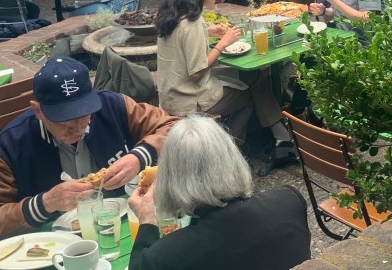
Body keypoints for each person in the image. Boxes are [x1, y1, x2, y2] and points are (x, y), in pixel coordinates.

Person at [0, 57, 177, 246]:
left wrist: (139, 156)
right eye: (63, 121)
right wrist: (45, 203)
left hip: (125, 228)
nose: (77, 128)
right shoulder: (11, 146)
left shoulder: (113, 107)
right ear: (38, 110)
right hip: (55, 248)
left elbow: (175, 129)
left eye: (83, 116)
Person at [127, 115, 311, 270]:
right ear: (233, 157)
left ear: (171, 177)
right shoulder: (290, 201)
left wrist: (147, 221)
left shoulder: (164, 257)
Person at [155, 0, 291, 147]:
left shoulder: (172, 15)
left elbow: (182, 37)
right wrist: (223, 43)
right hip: (190, 101)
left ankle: (278, 133)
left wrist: (209, 30)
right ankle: (230, 148)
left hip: (170, 96)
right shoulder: (193, 24)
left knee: (251, 76)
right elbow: (197, 72)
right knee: (247, 97)